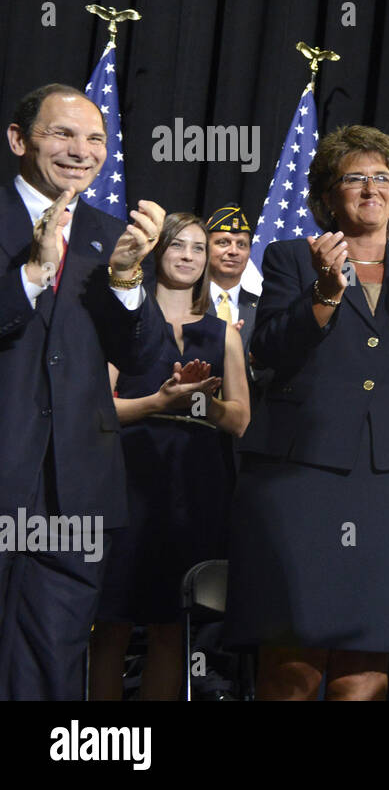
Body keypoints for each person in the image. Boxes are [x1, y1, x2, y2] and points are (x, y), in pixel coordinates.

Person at [222, 124, 389, 700]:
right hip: (299, 478)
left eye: (383, 179)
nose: (372, 189)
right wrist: (324, 297)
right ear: (328, 195)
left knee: (368, 662)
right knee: (291, 659)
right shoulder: (292, 258)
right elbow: (269, 352)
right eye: (355, 178)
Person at [0, 83, 166, 700]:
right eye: (63, 134)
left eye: (95, 138)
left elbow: (143, 357)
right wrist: (33, 273)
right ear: (20, 140)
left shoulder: (109, 234)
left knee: (54, 652)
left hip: (77, 488)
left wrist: (126, 280)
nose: (82, 150)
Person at [89, 212, 250, 700]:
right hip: (128, 477)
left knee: (171, 621)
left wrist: (198, 400)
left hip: (195, 483)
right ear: (157, 253)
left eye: (198, 248)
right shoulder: (126, 323)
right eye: (178, 245)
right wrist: (160, 402)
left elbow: (241, 420)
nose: (188, 256)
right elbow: (99, 411)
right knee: (112, 619)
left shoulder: (224, 333)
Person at [204, 204, 258, 352]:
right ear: (205, 247)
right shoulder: (187, 301)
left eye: (241, 244)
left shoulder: (261, 307)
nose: (234, 251)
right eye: (223, 242)